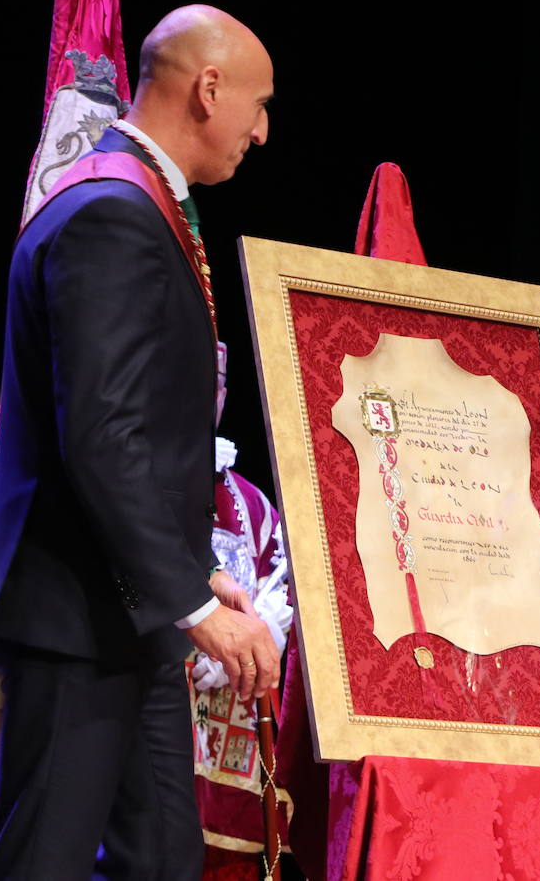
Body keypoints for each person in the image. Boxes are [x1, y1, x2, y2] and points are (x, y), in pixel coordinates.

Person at [0, 5, 281, 880]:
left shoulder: (141, 204)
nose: (261, 130)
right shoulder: (112, 212)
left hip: (126, 614)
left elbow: (134, 431)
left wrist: (200, 576)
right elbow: (100, 439)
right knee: (48, 861)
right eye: (258, 104)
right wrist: (196, 603)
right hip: (76, 615)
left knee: (160, 860)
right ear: (208, 88)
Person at [188, 343, 293, 877]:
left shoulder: (252, 502)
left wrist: (261, 630)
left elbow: (283, 588)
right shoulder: (142, 478)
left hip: (237, 712)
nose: (206, 390)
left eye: (217, 381)